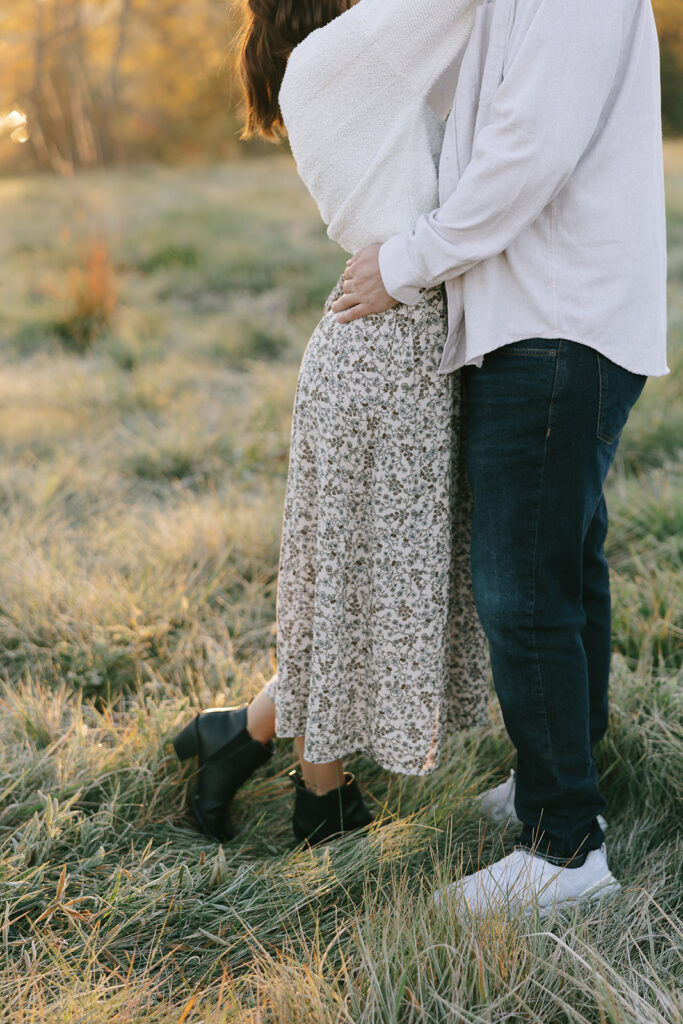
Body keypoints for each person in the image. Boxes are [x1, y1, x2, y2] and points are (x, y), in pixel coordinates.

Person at [333, 0, 668, 912]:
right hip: (541, 318)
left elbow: (527, 151)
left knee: (519, 586)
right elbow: (459, 103)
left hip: (558, 321)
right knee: (561, 565)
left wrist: (407, 260)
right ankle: (555, 779)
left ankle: (564, 849)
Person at [173, 0, 490, 847]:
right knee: (355, 587)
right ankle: (318, 799)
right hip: (390, 348)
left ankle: (247, 740)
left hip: (376, 344)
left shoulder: (322, 60)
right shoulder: (352, 46)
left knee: (350, 582)